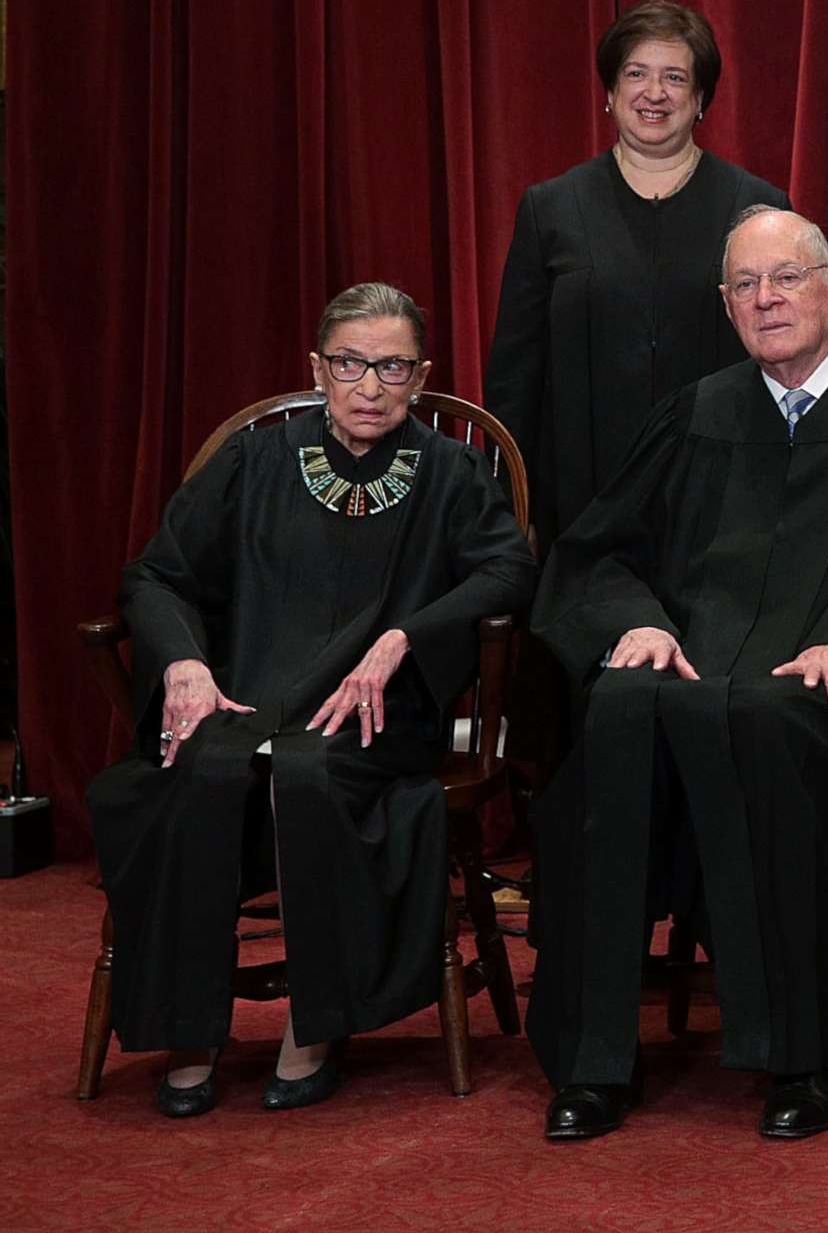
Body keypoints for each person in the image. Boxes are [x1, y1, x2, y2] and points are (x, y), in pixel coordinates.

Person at [523, 206, 828, 1143]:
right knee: (621, 706)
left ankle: (799, 1058)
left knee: (768, 720)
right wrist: (639, 624)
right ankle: (593, 1060)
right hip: (696, 671)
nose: (767, 299)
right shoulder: (696, 414)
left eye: (785, 277)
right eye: (745, 284)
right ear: (726, 302)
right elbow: (597, 553)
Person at [87, 283, 537, 1116]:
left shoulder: (451, 470)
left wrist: (407, 637)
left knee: (318, 775)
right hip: (245, 693)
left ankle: (318, 1023)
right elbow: (156, 574)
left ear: (421, 372)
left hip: (372, 711)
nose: (370, 385)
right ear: (318, 369)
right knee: (197, 773)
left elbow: (510, 569)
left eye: (392, 366)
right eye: (350, 364)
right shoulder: (254, 460)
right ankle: (191, 1026)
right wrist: (184, 663)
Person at [485, 0, 789, 548]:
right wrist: (514, 507)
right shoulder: (550, 209)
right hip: (578, 508)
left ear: (700, 99)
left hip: (727, 504)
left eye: (675, 77)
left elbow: (792, 356)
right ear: (609, 93)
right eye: (636, 74)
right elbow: (515, 377)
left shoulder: (758, 210)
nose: (655, 94)